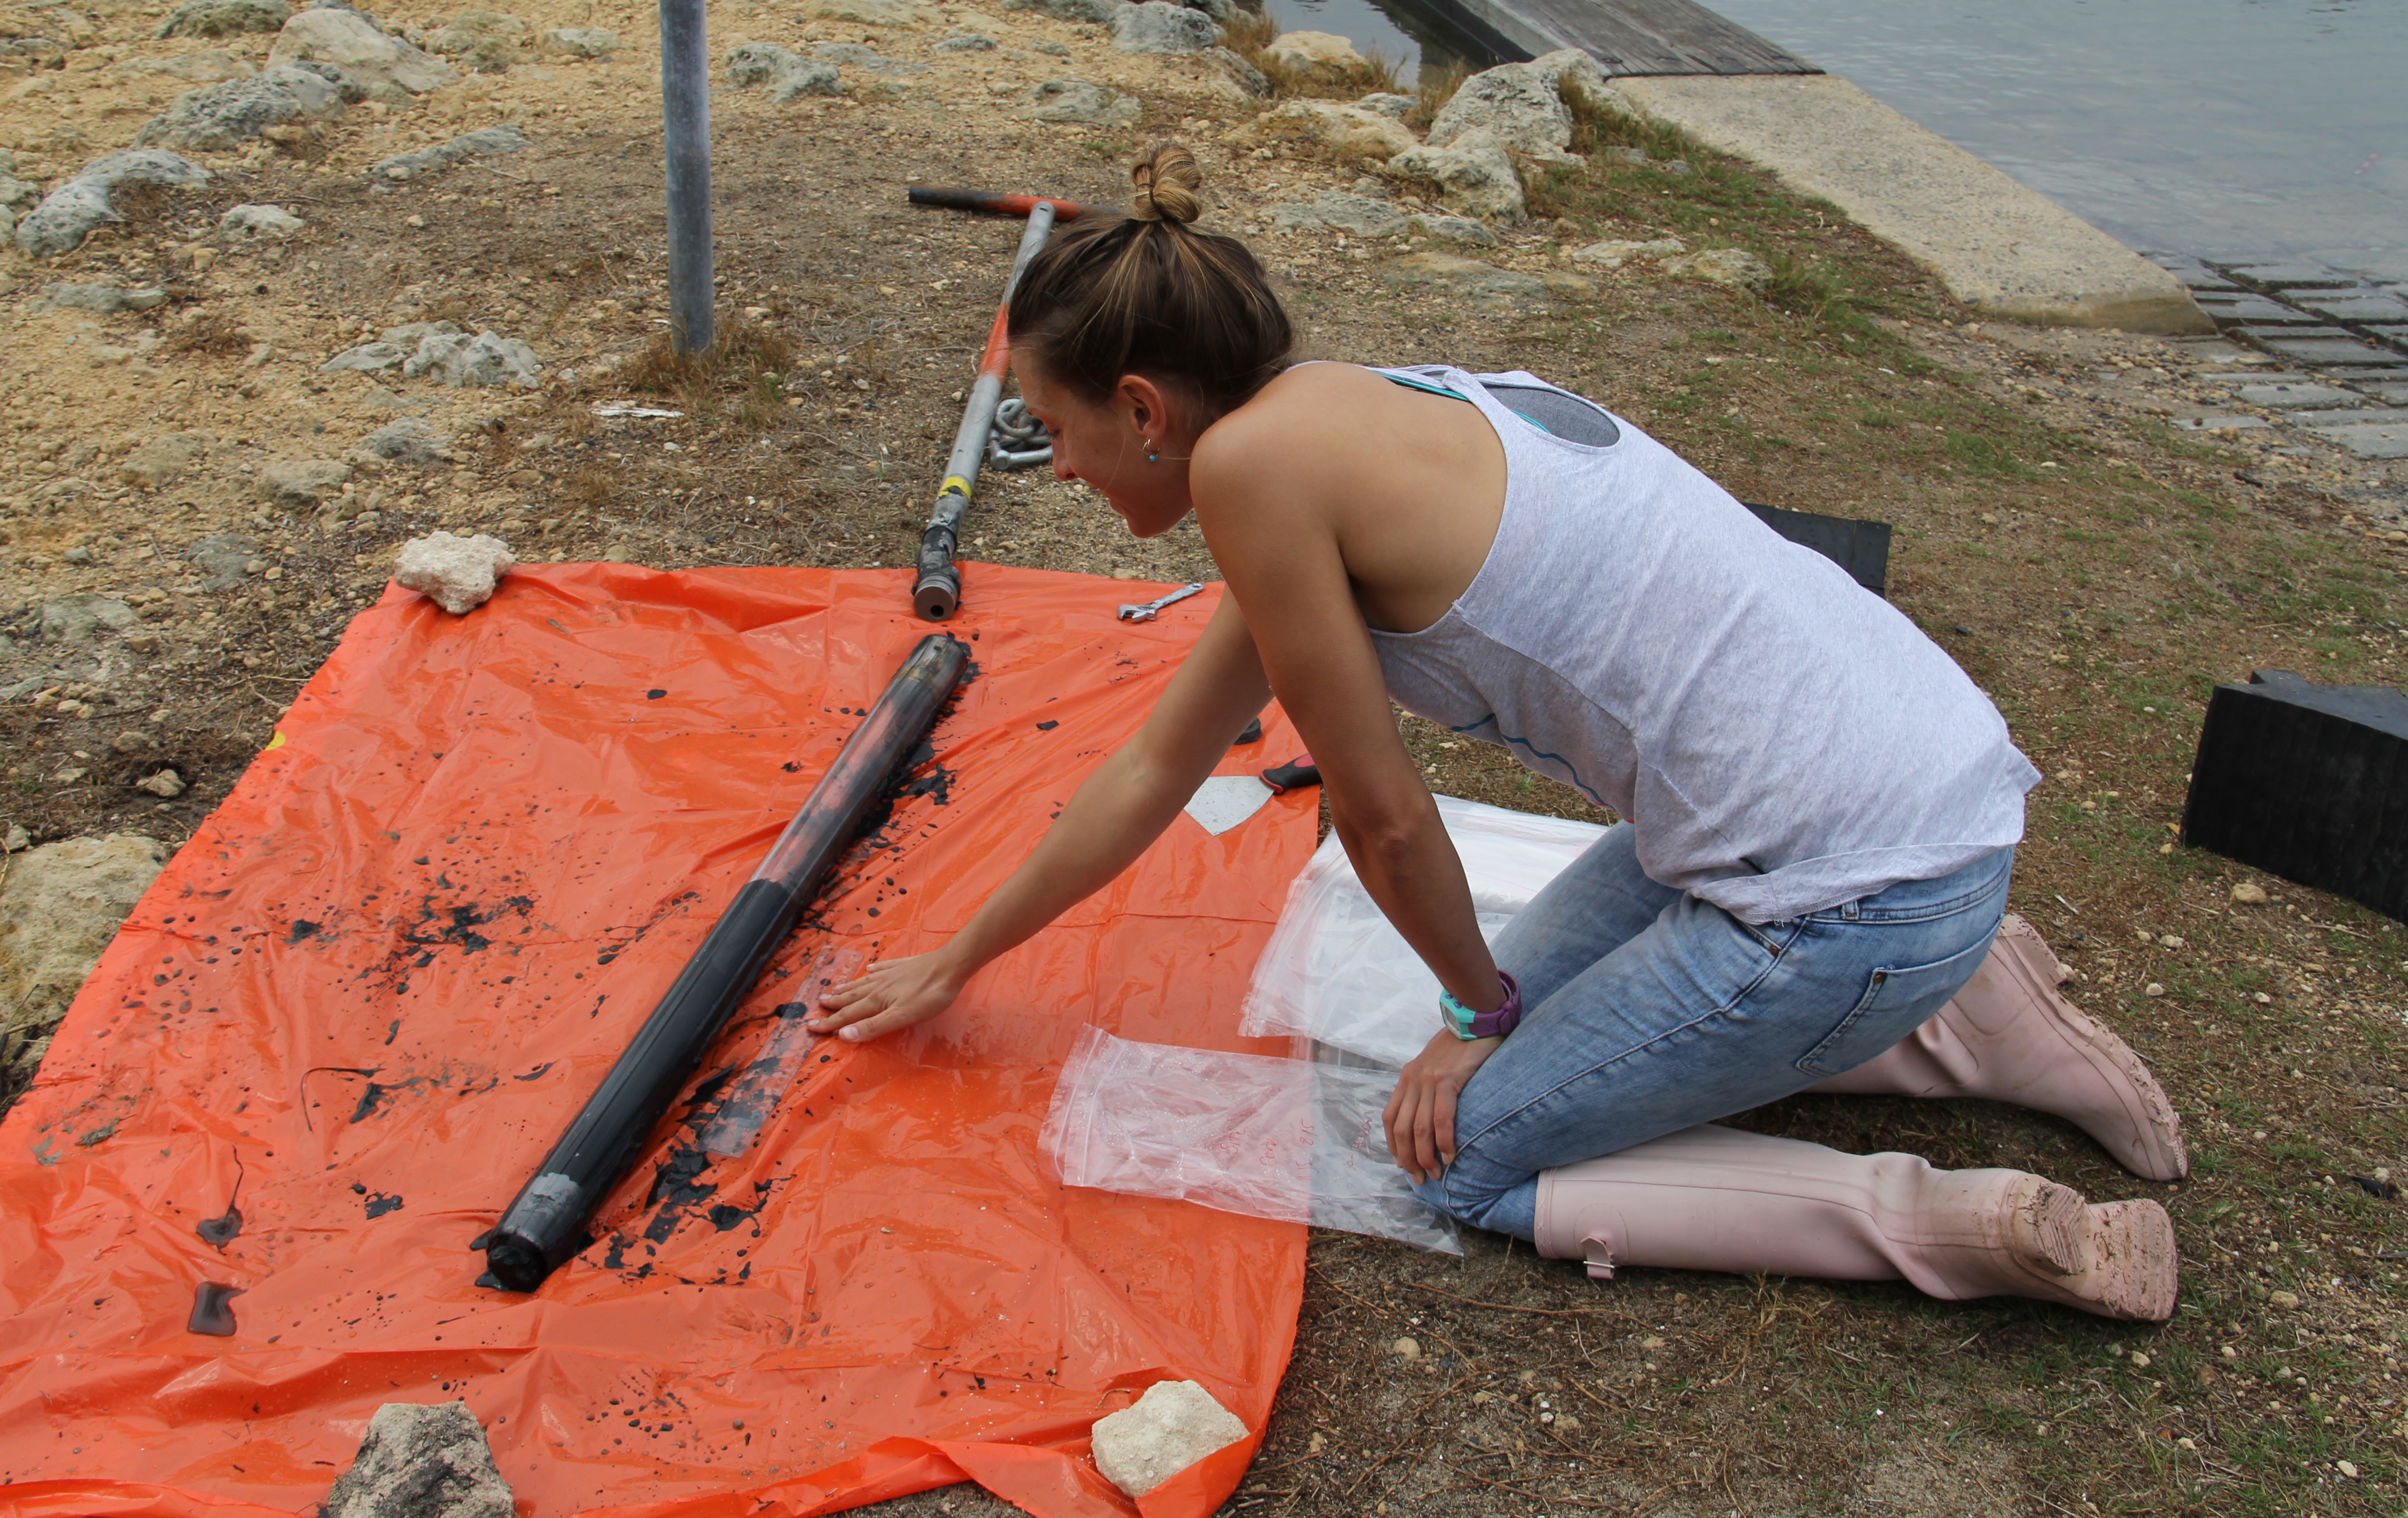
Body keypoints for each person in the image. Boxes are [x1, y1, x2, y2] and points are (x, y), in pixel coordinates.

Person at [805, 145, 2186, 1321]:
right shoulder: (1349, 410)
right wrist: (963, 956)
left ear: (1148, 411)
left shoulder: (1248, 470)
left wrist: (1480, 1014)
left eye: (1056, 434)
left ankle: (1944, 1216)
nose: (1067, 474)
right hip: (1901, 799)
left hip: (1851, 896)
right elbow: (1158, 765)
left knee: (1461, 1156)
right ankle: (1974, 1016)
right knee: (1485, 1036)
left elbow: (1386, 818)